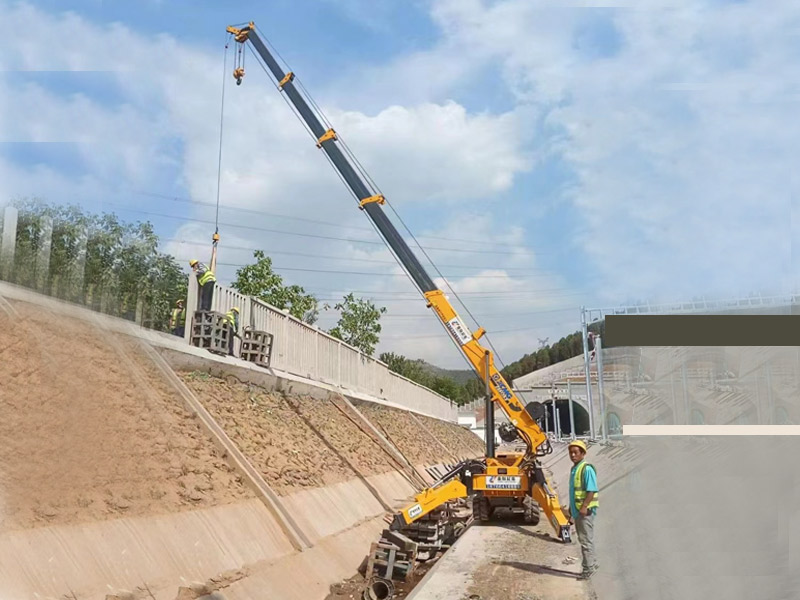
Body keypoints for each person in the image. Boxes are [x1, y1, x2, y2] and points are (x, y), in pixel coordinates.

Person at [568, 439, 599, 580]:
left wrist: (584, 506)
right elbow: (574, 491)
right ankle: (592, 564)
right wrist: (571, 508)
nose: (573, 455)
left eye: (576, 452)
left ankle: (588, 569)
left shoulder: (586, 469)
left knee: (586, 541)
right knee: (585, 539)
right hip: (579, 510)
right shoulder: (575, 468)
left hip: (585, 511)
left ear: (583, 453)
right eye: (571, 452)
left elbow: (591, 490)